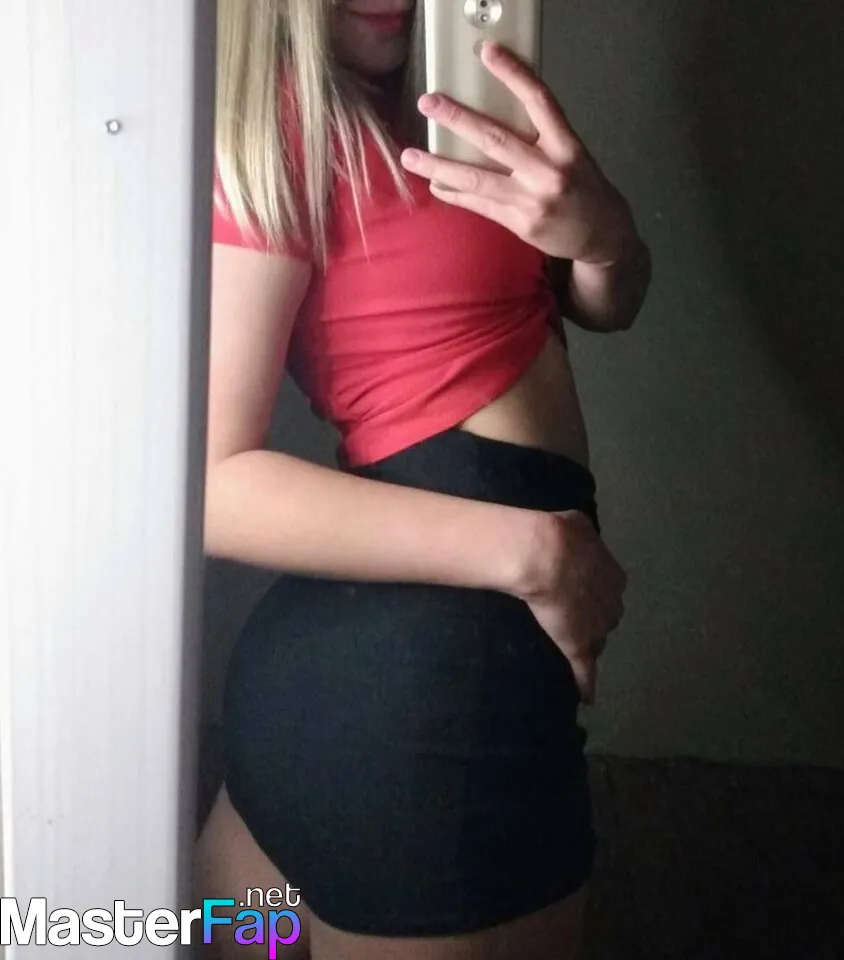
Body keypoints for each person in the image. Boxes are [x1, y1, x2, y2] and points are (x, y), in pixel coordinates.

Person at [193, 1, 651, 958]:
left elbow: (602, 305)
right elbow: (212, 487)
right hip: (431, 722)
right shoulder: (288, 123)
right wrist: (534, 551)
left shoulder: (464, 105)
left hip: (344, 705)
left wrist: (603, 237)